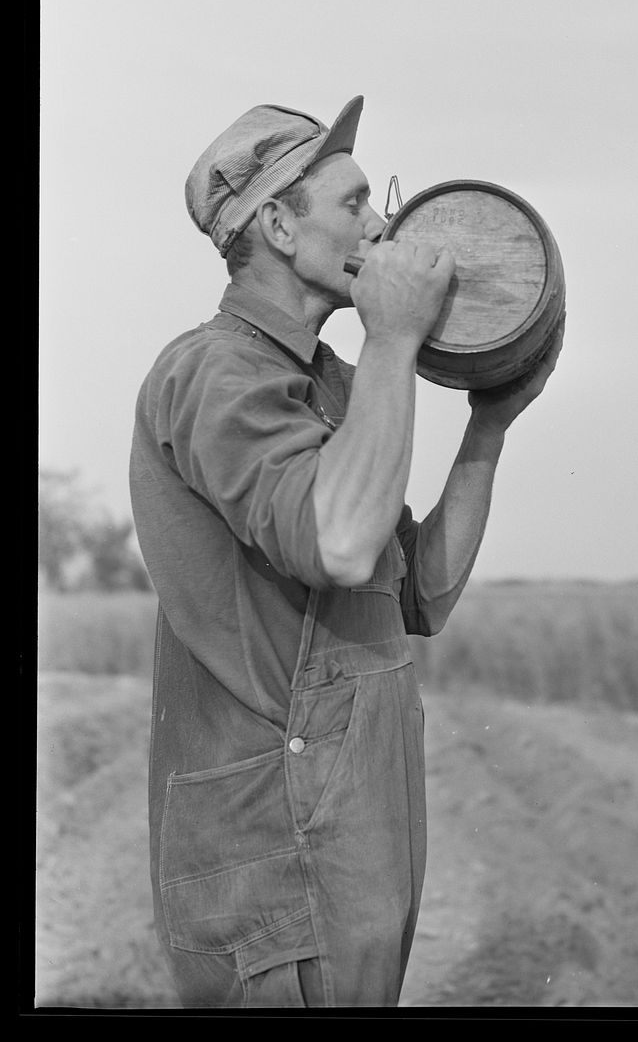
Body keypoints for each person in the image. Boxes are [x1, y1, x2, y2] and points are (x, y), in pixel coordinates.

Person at [129, 95, 562, 1009]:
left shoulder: (327, 380)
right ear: (280, 226)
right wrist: (397, 338)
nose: (381, 226)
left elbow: (421, 597)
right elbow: (339, 538)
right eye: (356, 202)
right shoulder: (212, 373)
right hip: (274, 862)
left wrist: (488, 426)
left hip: (354, 838)